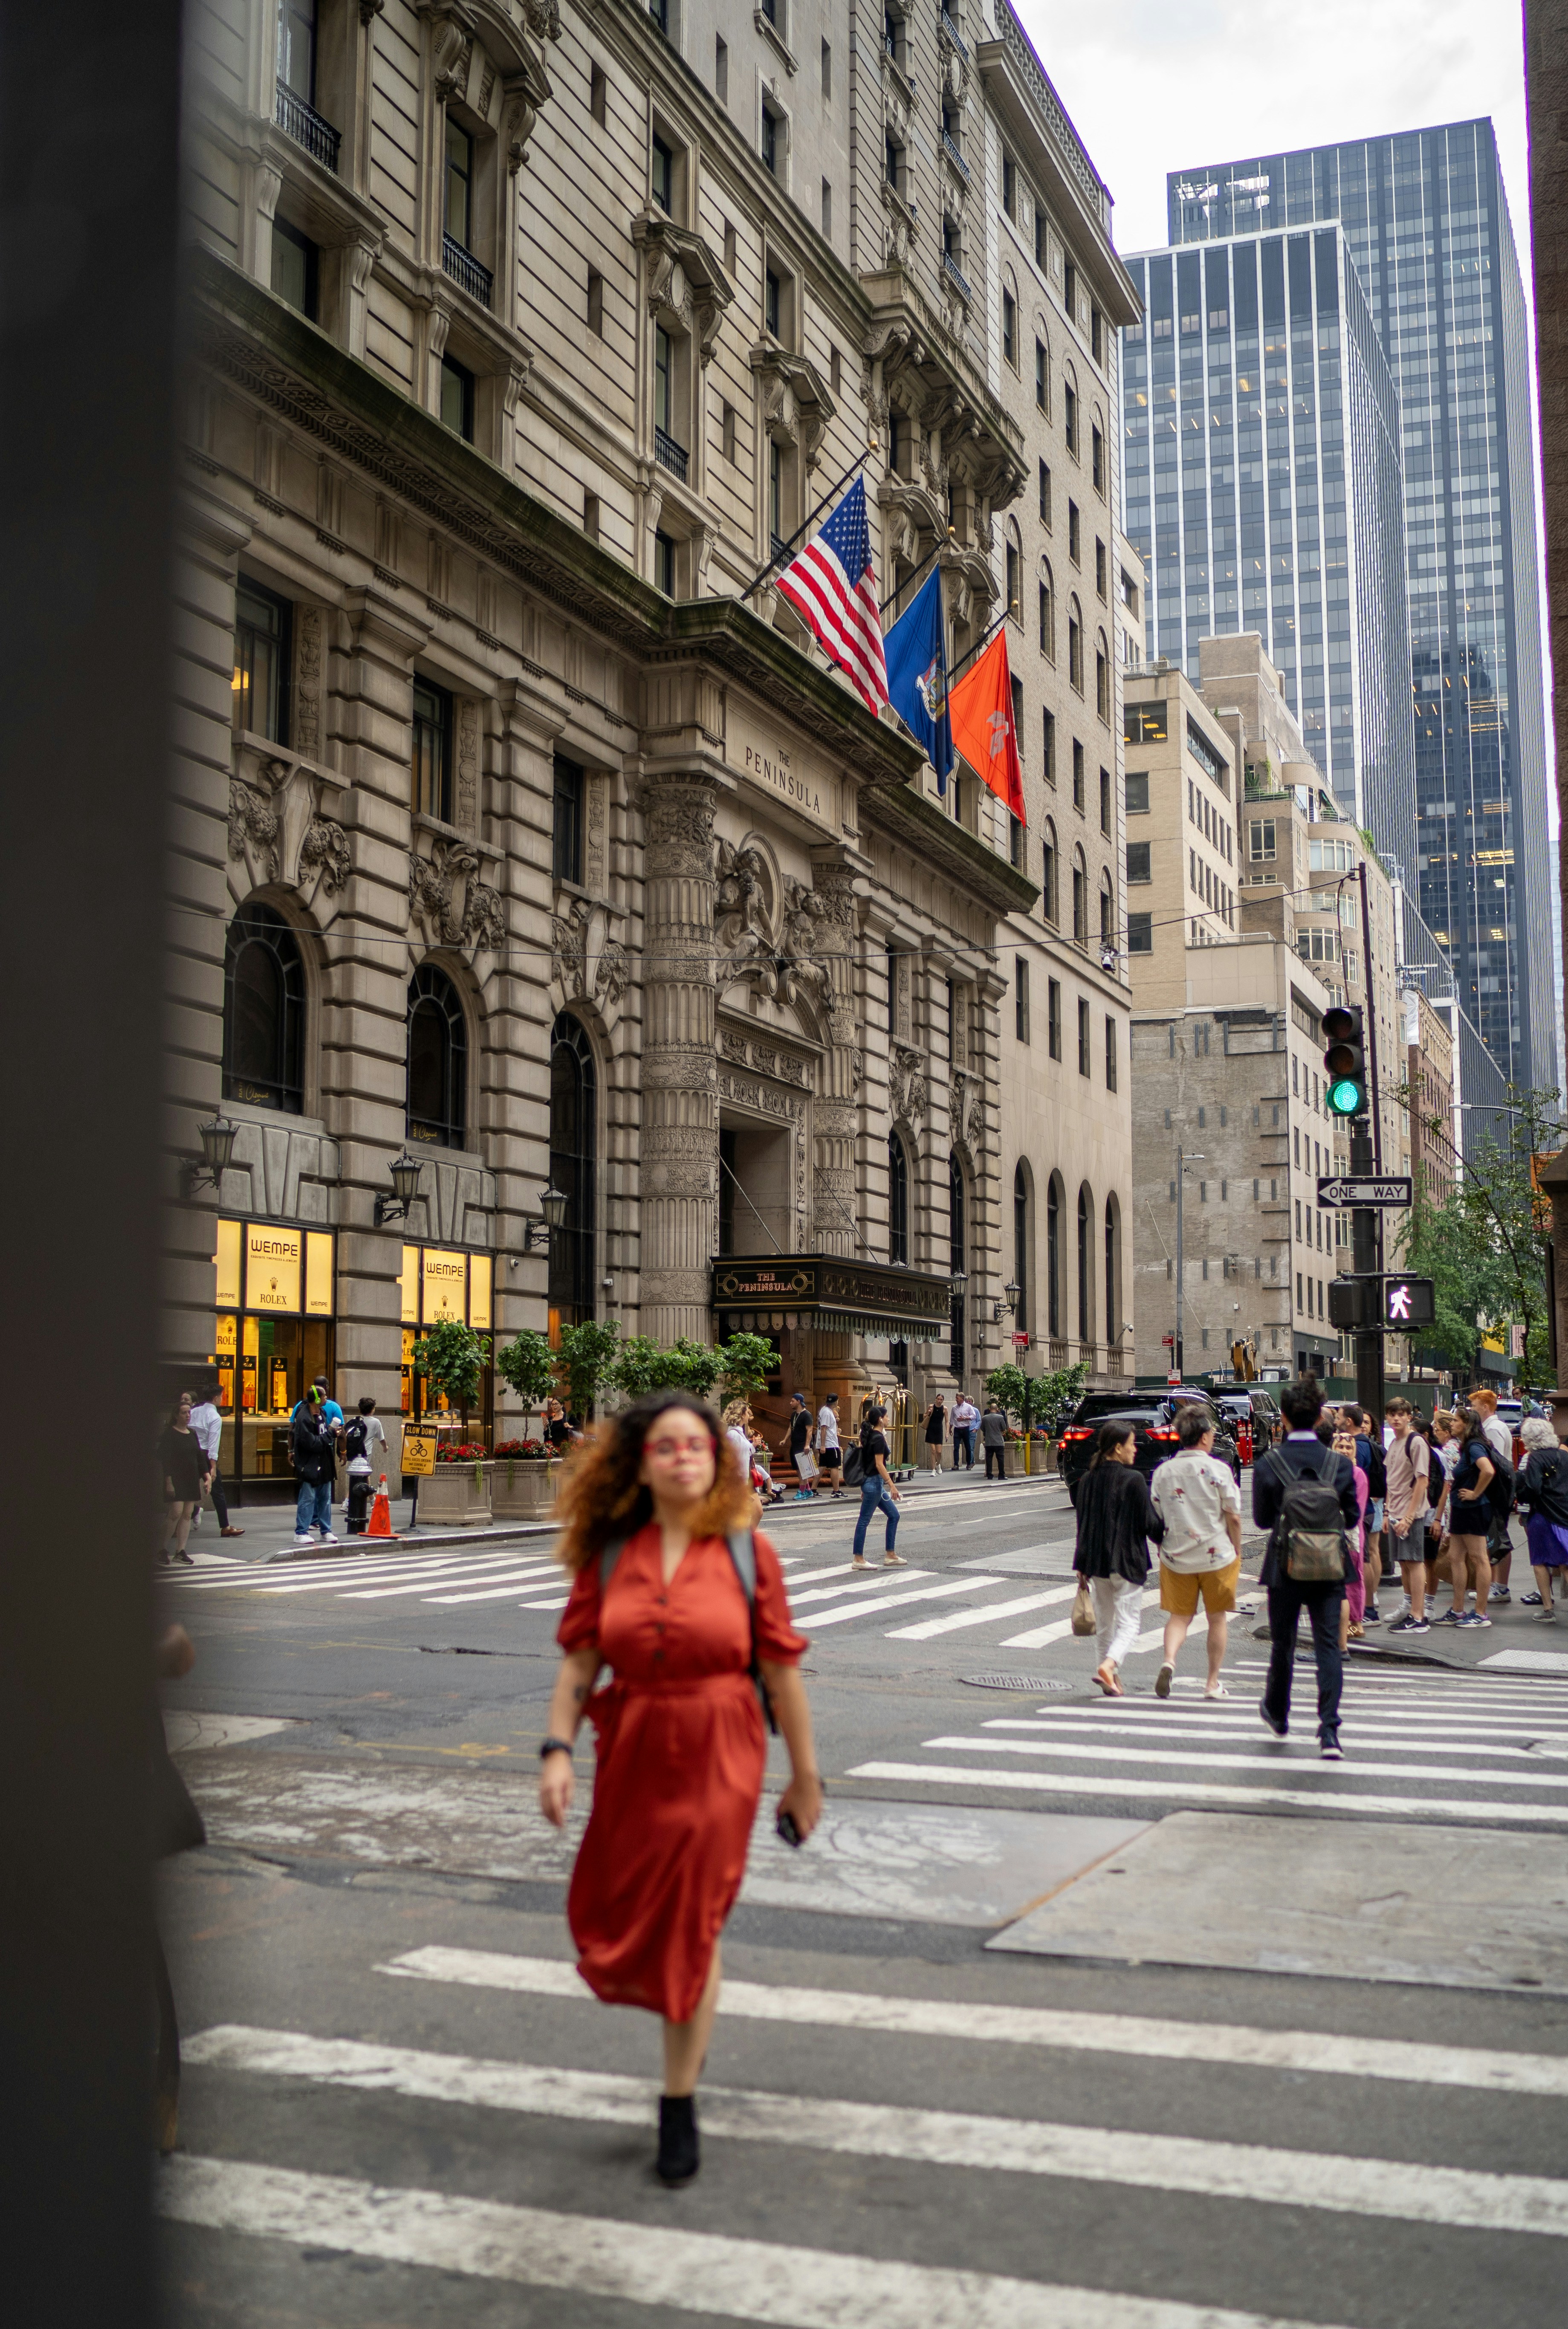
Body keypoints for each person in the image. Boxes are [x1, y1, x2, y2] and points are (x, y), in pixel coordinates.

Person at [538, 1392, 820, 2186]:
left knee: (693, 1916)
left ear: (717, 1460)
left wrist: (804, 1775)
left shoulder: (747, 1553)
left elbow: (781, 1671)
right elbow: (580, 1662)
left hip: (720, 1745)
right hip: (631, 1745)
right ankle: (682, 2054)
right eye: (666, 1445)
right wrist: (556, 1750)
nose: (684, 1456)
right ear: (640, 1463)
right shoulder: (608, 1555)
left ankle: (677, 2099)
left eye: (697, 1444)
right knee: (639, 1909)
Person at [1252, 1375, 1360, 1759]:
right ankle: (1329, 1731)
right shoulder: (1339, 1464)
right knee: (1328, 1646)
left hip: (1284, 1565)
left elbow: (1262, 1519)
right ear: (1319, 1418)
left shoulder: (1269, 1463)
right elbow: (1352, 1517)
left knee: (1283, 1643)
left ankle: (1278, 1713)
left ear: (1283, 1418)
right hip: (1330, 1565)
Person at [1149, 1405, 1242, 1699]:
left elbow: (1157, 1515)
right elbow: (1234, 1516)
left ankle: (1169, 1660)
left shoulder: (1163, 1473)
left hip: (1176, 1557)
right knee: (1217, 1618)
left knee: (1179, 1617)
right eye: (1211, 1432)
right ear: (1203, 1437)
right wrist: (1237, 1549)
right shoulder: (1219, 1470)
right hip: (1217, 1556)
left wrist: (1164, 1545)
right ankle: (1212, 1683)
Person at [1073, 1421, 1164, 1696]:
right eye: (1132, 1444)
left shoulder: (1087, 1480)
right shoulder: (1133, 1480)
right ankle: (1109, 1666)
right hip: (1127, 1560)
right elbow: (1150, 1523)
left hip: (1097, 1562)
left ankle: (1110, 1679)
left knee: (1105, 1625)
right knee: (1129, 1624)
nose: (1135, 1450)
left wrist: (1081, 1564)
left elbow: (1083, 1525)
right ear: (1117, 1448)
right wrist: (1165, 1538)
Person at [1441, 1403, 1496, 1626]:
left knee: (1479, 1558)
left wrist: (1475, 1493)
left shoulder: (1474, 1446)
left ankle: (1480, 1613)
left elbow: (1488, 1470)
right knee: (1456, 1556)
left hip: (1474, 1508)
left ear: (1466, 1425)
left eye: (1456, 1421)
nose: (1452, 1424)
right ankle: (1458, 1609)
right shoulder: (1468, 1446)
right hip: (1462, 1508)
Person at [1384, 1397, 1432, 1634]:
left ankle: (1418, 1616)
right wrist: (1387, 1512)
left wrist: (1410, 1517)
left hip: (1410, 1513)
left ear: (1409, 1417)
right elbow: (1391, 1480)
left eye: (1401, 1414)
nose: (1396, 1419)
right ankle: (1411, 1610)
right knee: (1404, 1563)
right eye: (1392, 1414)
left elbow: (1423, 1481)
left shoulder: (1416, 1442)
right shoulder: (1395, 1443)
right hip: (1395, 1513)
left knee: (1414, 1562)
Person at [1517, 1414, 1568, 1620]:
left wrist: (1520, 1493)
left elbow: (1533, 1488)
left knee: (1540, 1562)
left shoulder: (1535, 1458)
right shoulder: (1564, 1455)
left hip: (1542, 1515)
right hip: (1565, 1514)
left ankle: (1548, 1609)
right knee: (1566, 1563)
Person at [1469, 1387, 1516, 1602]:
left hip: (1496, 1492)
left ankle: (1500, 1586)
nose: (1472, 1410)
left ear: (1486, 1407)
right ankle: (1496, 1585)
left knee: (1497, 1538)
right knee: (1495, 1537)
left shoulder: (1494, 1429)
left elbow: (1493, 1463)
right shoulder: (1495, 1427)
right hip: (1498, 1491)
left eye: (1475, 1406)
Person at [158, 1391, 212, 1566]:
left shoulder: (192, 1433)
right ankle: (161, 1549)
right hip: (176, 1478)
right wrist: (169, 1482)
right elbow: (165, 1460)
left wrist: (206, 1476)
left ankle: (180, 1551)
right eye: (184, 1413)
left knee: (187, 1515)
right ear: (176, 1415)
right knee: (175, 1513)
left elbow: (199, 1457)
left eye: (189, 1412)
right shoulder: (170, 1434)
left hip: (191, 1478)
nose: (188, 1416)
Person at [1328, 1419, 1368, 1646]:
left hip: (1351, 1535)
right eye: (1340, 1447)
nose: (1344, 1450)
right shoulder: (1329, 1472)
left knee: (1354, 1579)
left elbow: (1357, 1509)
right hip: (1331, 1534)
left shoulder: (1358, 1474)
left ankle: (1356, 1621)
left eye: (1348, 1447)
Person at [187, 1379, 243, 1540]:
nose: (222, 1399)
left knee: (186, 1487)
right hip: (205, 1455)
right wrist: (213, 1467)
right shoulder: (215, 1417)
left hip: (190, 1452)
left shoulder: (194, 1412)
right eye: (222, 1396)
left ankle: (193, 1513)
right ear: (216, 1398)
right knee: (217, 1491)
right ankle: (225, 1527)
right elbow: (214, 1444)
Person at [851, 1405, 905, 1568]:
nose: (889, 1419)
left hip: (874, 1485)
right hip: (875, 1484)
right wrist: (892, 1485)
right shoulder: (878, 1438)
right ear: (881, 1420)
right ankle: (858, 1559)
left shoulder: (870, 1436)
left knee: (894, 1515)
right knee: (864, 1521)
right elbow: (879, 1465)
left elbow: (866, 1463)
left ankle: (891, 1555)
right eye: (887, 1416)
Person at [289, 1386, 340, 1548]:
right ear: (317, 1399)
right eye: (324, 1396)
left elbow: (320, 1439)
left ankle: (326, 1531)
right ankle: (301, 1533)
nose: (326, 1398)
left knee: (325, 1498)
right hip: (310, 1464)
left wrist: (330, 1433)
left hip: (324, 1462)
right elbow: (312, 1443)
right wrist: (331, 1434)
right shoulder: (304, 1418)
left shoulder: (322, 1413)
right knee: (308, 1498)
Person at [344, 1396, 389, 1534]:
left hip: (354, 1451)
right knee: (362, 1477)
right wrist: (385, 1447)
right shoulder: (376, 1422)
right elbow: (382, 1439)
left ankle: (369, 1500)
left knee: (359, 1477)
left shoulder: (356, 1420)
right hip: (365, 1453)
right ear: (373, 1409)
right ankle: (350, 1502)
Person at [787, 1390, 817, 1502]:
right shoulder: (794, 1415)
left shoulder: (807, 1415)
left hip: (803, 1446)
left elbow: (810, 1431)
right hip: (795, 1446)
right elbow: (791, 1428)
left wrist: (807, 1445)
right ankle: (808, 1490)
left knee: (804, 1470)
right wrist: (785, 1440)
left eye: (793, 1401)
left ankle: (802, 1492)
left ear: (798, 1402)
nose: (791, 1403)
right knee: (799, 1470)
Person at [815, 1392, 844, 1499]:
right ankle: (836, 1491)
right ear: (836, 1402)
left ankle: (813, 1489)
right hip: (830, 1444)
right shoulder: (827, 1413)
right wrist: (823, 1445)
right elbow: (824, 1429)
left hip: (827, 1443)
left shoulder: (824, 1410)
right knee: (835, 1466)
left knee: (822, 1466)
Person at [980, 1398, 1009, 1481]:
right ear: (997, 1409)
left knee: (989, 1459)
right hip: (999, 1441)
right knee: (1001, 1459)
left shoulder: (985, 1418)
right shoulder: (1000, 1417)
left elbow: (982, 1428)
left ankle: (989, 1475)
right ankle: (1001, 1475)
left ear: (990, 1409)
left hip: (989, 1441)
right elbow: (1004, 1428)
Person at [921, 1393, 948, 1474]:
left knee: (939, 1452)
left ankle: (938, 1464)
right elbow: (924, 1416)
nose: (939, 1401)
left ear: (943, 1401)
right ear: (936, 1399)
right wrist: (929, 1413)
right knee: (933, 1450)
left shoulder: (945, 1409)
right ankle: (933, 1470)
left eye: (941, 1400)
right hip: (931, 1430)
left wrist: (947, 1433)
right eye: (938, 1399)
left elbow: (947, 1422)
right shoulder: (931, 1407)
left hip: (939, 1431)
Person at [952, 1392, 978, 1470]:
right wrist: (950, 1429)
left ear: (962, 1399)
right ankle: (956, 1465)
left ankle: (969, 1464)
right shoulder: (954, 1408)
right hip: (957, 1429)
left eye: (958, 1398)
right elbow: (952, 1419)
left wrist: (965, 1418)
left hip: (966, 1429)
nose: (956, 1400)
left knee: (968, 1447)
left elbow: (974, 1416)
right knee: (956, 1447)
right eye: (956, 1398)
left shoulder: (968, 1407)